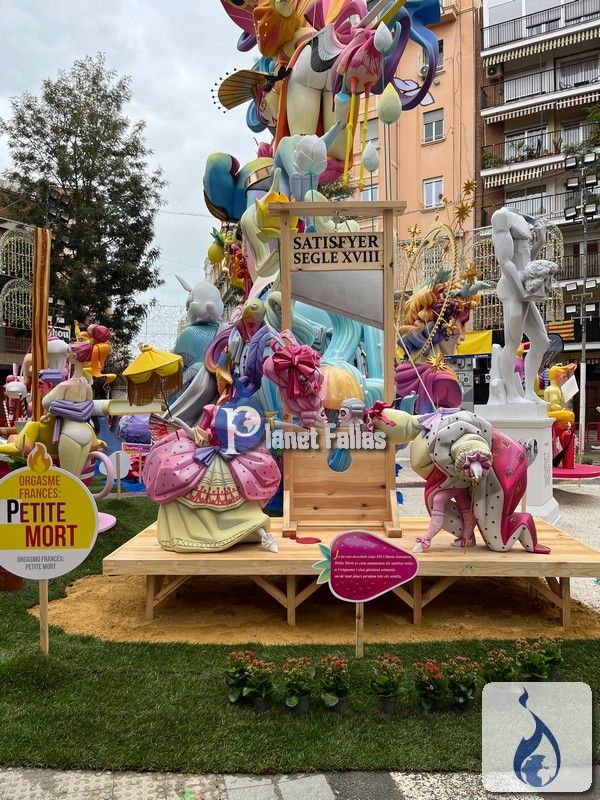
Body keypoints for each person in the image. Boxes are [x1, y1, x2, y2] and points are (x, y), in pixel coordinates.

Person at [491, 208, 551, 404]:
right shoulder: (502, 217)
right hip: (512, 289)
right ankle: (512, 395)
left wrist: (540, 242)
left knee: (541, 340)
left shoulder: (522, 220)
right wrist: (522, 291)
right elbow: (504, 261)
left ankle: (529, 392)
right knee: (512, 343)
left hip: (522, 288)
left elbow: (525, 262)